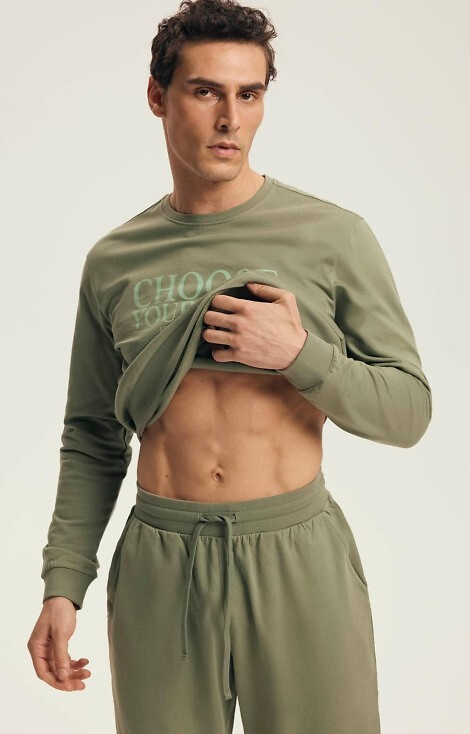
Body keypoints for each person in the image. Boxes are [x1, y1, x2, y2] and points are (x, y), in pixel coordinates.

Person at [27, 1, 432, 732]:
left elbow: (408, 412)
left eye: (249, 94)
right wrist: (64, 581)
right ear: (158, 97)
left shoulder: (332, 236)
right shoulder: (114, 260)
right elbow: (91, 435)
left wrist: (302, 357)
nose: (230, 119)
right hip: (160, 563)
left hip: (296, 555)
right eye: (205, 91)